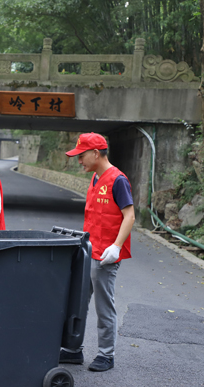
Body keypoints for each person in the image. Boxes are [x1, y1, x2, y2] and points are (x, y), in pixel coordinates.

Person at [60, 132, 135, 372]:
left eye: (81, 156)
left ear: (95, 153)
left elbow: (129, 216)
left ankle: (106, 354)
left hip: (105, 256)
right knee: (78, 302)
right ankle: (73, 350)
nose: (79, 161)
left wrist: (115, 247)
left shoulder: (118, 180)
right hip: (87, 251)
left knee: (104, 306)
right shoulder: (95, 177)